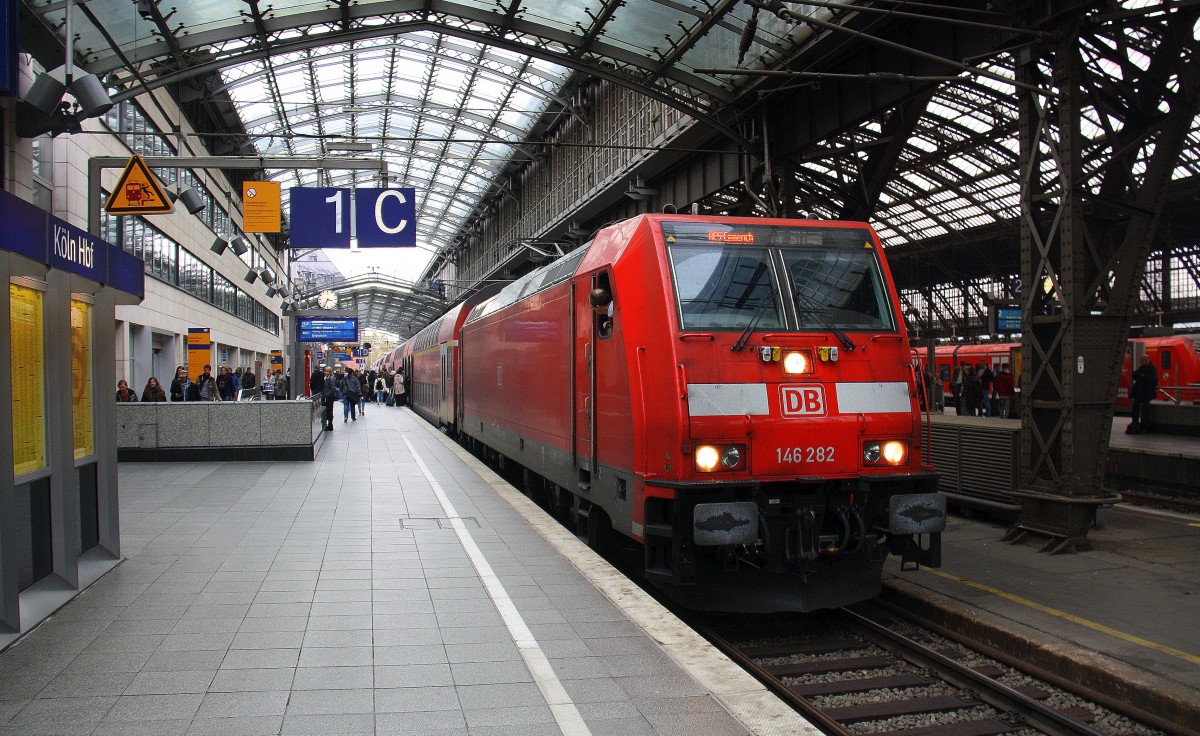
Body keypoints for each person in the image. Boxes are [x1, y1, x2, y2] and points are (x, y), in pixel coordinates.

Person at [1128, 354, 1158, 433]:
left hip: (1146, 393)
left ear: (1147, 360)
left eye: (1142, 361)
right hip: (1141, 393)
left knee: (1145, 409)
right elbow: (1134, 375)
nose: (1141, 362)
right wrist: (1142, 376)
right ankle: (1136, 422)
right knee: (1136, 408)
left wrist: (1141, 377)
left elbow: (1152, 380)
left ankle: (1144, 425)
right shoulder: (1143, 368)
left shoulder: (1151, 368)